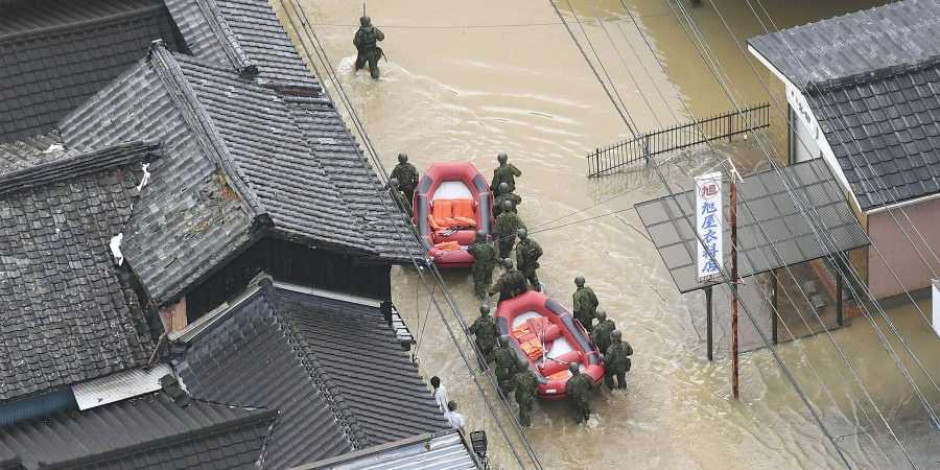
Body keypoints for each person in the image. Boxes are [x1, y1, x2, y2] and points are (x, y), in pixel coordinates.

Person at [467, 231, 498, 299]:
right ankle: (488, 284)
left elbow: (469, 250)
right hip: (489, 265)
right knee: (488, 276)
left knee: (479, 280)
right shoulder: (490, 246)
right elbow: (494, 256)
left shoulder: (475, 247)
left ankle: (481, 295)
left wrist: (473, 241)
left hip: (480, 266)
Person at [513, 355, 538, 427]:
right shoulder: (532, 375)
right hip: (531, 394)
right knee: (529, 405)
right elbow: (536, 384)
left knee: (523, 410)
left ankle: (525, 423)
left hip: (522, 396)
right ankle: (529, 410)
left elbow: (513, 386)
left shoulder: (517, 377)